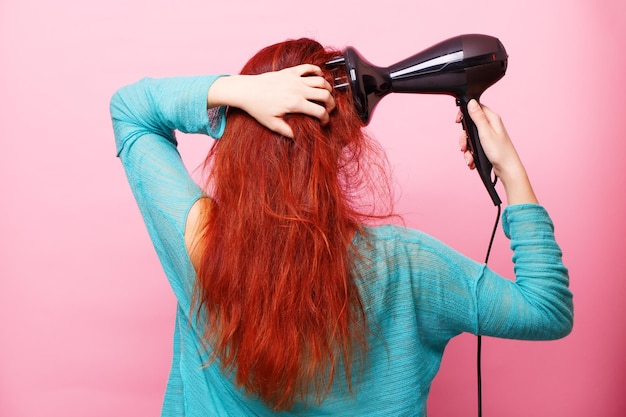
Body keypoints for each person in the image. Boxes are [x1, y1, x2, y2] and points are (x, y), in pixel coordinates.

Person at [110, 38, 573, 416]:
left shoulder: (199, 239)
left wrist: (239, 91)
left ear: (237, 137)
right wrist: (511, 170)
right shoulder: (405, 265)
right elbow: (545, 310)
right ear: (345, 135)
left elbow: (130, 109)